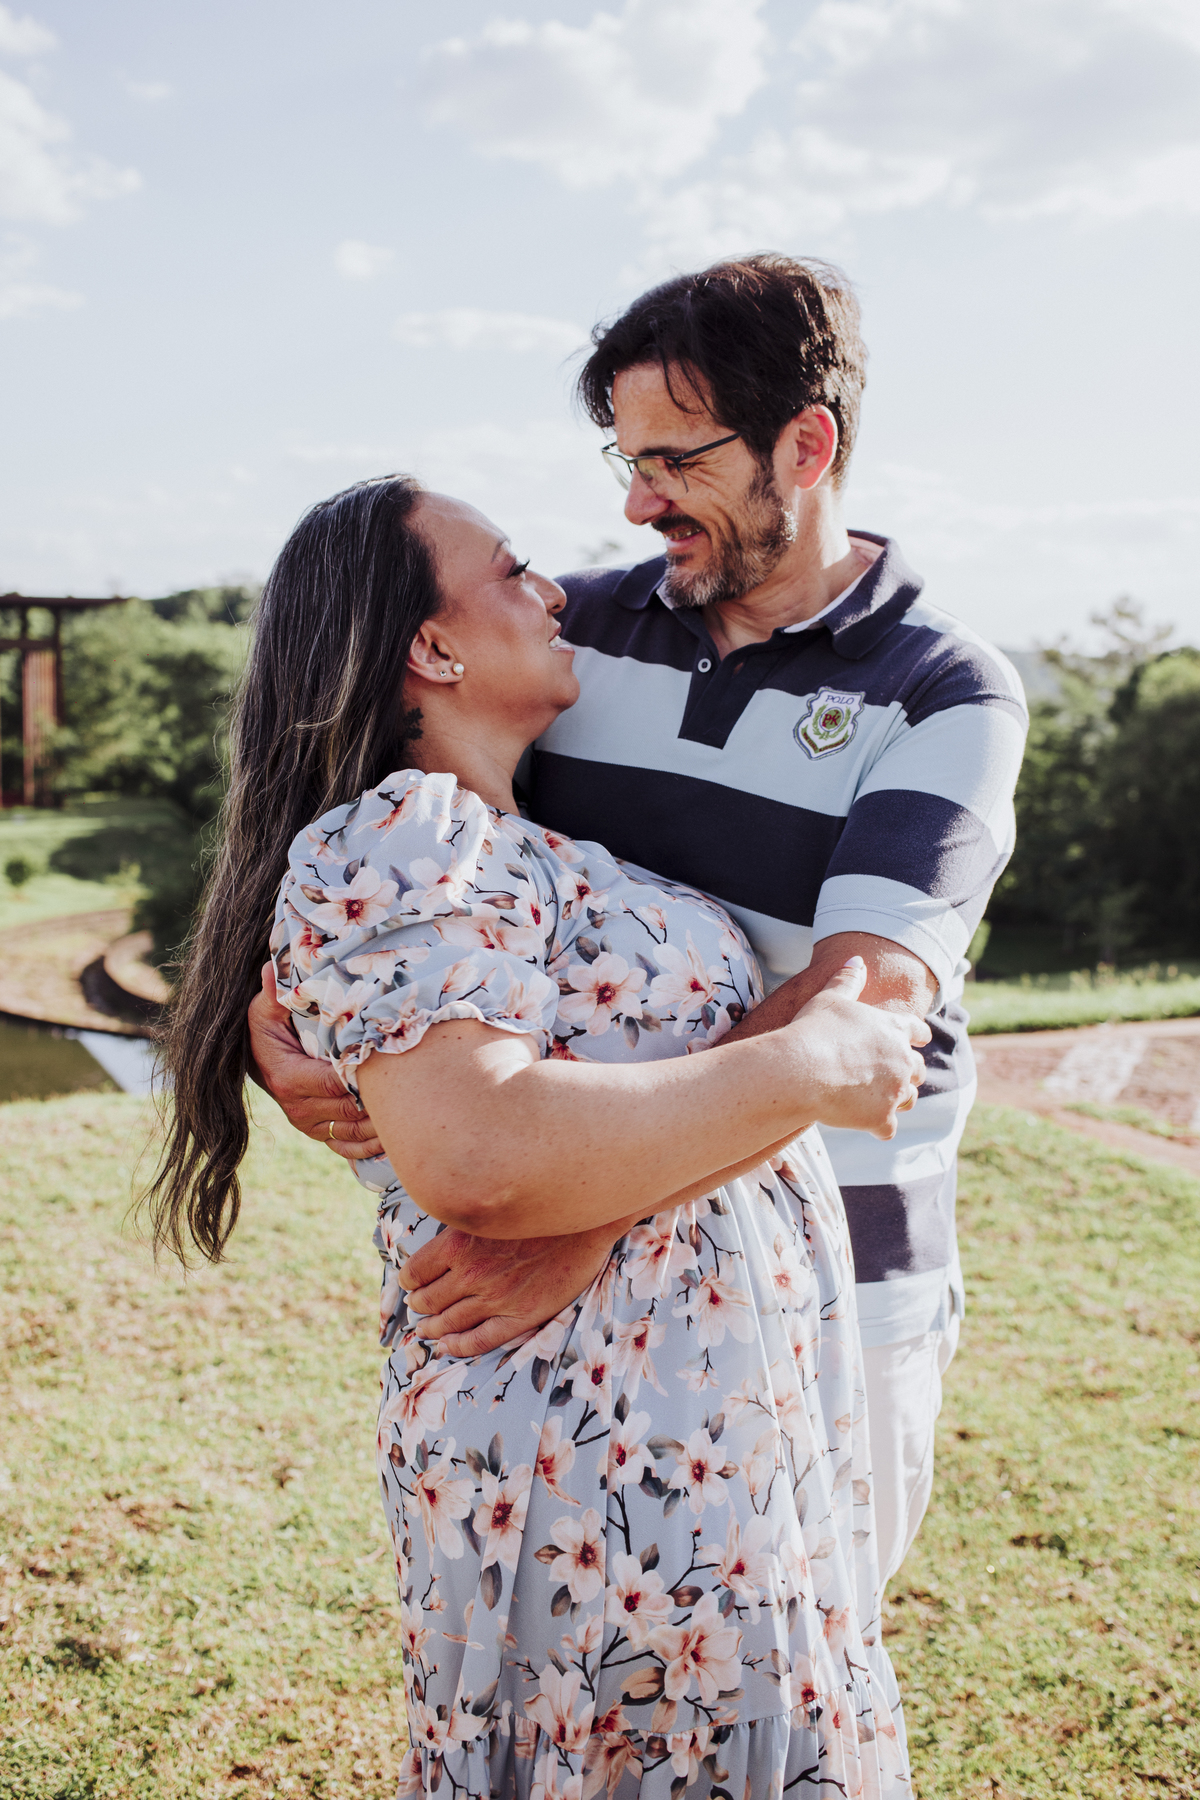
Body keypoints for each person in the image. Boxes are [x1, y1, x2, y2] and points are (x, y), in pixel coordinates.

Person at [250, 255, 1028, 1585]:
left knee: (798, 1651)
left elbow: (867, 1003)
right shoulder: (561, 640)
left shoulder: (945, 690)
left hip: (839, 1275)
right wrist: (269, 1029)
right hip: (585, 1302)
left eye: (676, 460)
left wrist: (583, 1219)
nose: (635, 501)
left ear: (806, 446)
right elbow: (383, 862)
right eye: (627, 458)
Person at [149, 475, 929, 1799]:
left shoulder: (523, 844)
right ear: (433, 647)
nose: (556, 589)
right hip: (589, 1447)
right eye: (513, 572)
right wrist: (802, 1067)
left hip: (702, 1432)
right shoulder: (407, 833)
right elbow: (482, 1154)